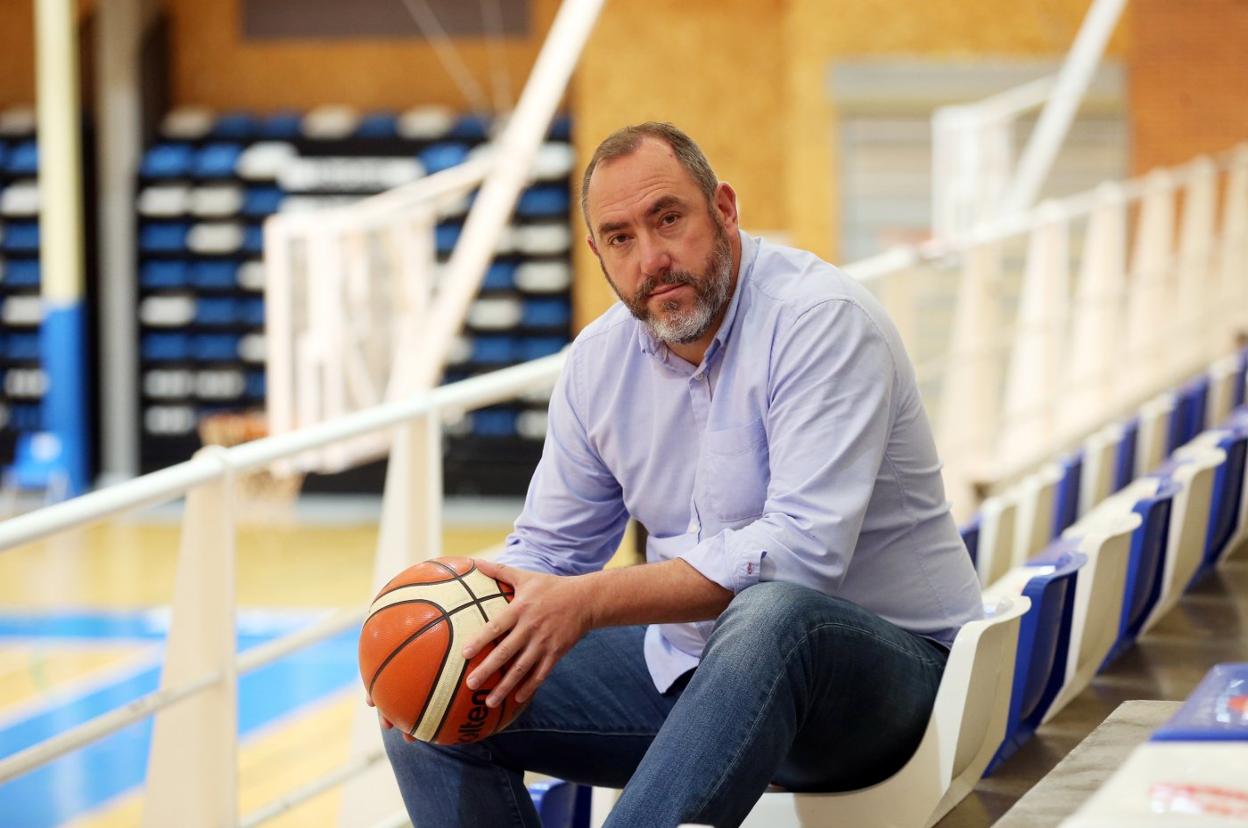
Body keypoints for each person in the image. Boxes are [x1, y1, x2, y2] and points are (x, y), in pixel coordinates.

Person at [381, 122, 983, 828]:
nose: (653, 258)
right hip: (695, 683)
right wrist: (446, 634)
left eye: (668, 219)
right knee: (434, 701)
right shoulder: (597, 364)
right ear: (597, 253)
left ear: (723, 209)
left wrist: (589, 602)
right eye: (621, 238)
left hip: (889, 692)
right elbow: (547, 552)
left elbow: (800, 556)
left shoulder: (821, 320)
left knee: (770, 612)